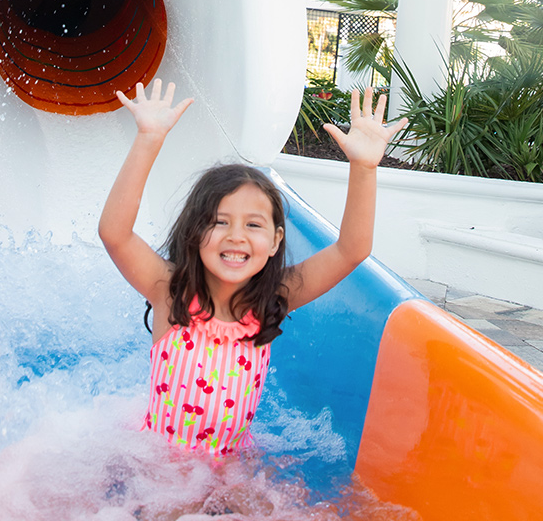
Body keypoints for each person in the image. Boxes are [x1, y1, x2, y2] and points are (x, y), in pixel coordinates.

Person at [99, 79, 406, 457]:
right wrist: (149, 138)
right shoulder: (169, 291)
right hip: (160, 469)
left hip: (229, 467)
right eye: (220, 221)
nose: (236, 236)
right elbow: (115, 234)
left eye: (253, 224)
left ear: (277, 240)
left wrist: (363, 166)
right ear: (195, 232)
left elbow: (351, 250)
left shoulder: (272, 300)